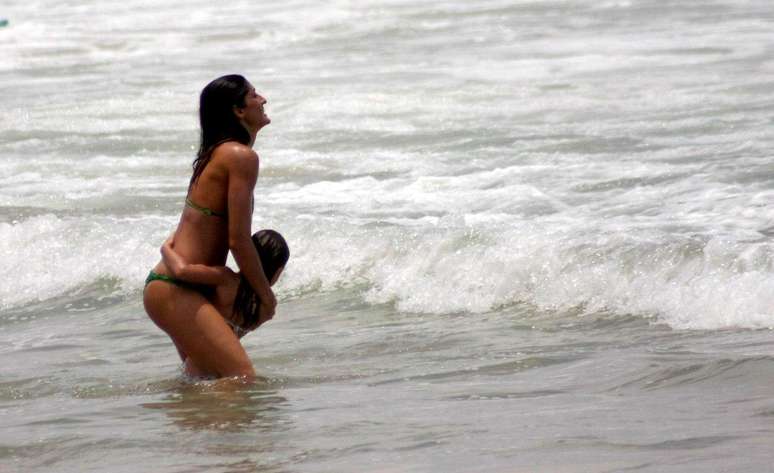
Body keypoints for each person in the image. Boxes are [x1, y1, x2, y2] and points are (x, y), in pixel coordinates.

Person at [143, 74, 275, 380]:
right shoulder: (240, 156)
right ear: (239, 111)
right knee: (241, 378)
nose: (263, 99)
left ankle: (191, 426)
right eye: (254, 95)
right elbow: (238, 241)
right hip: (176, 289)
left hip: (172, 283)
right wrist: (265, 295)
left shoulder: (215, 154)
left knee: (204, 382)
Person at [159, 229, 289, 377]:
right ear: (278, 271)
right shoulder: (267, 309)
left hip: (198, 362)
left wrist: (165, 248)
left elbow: (181, 271)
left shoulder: (226, 280)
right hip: (227, 363)